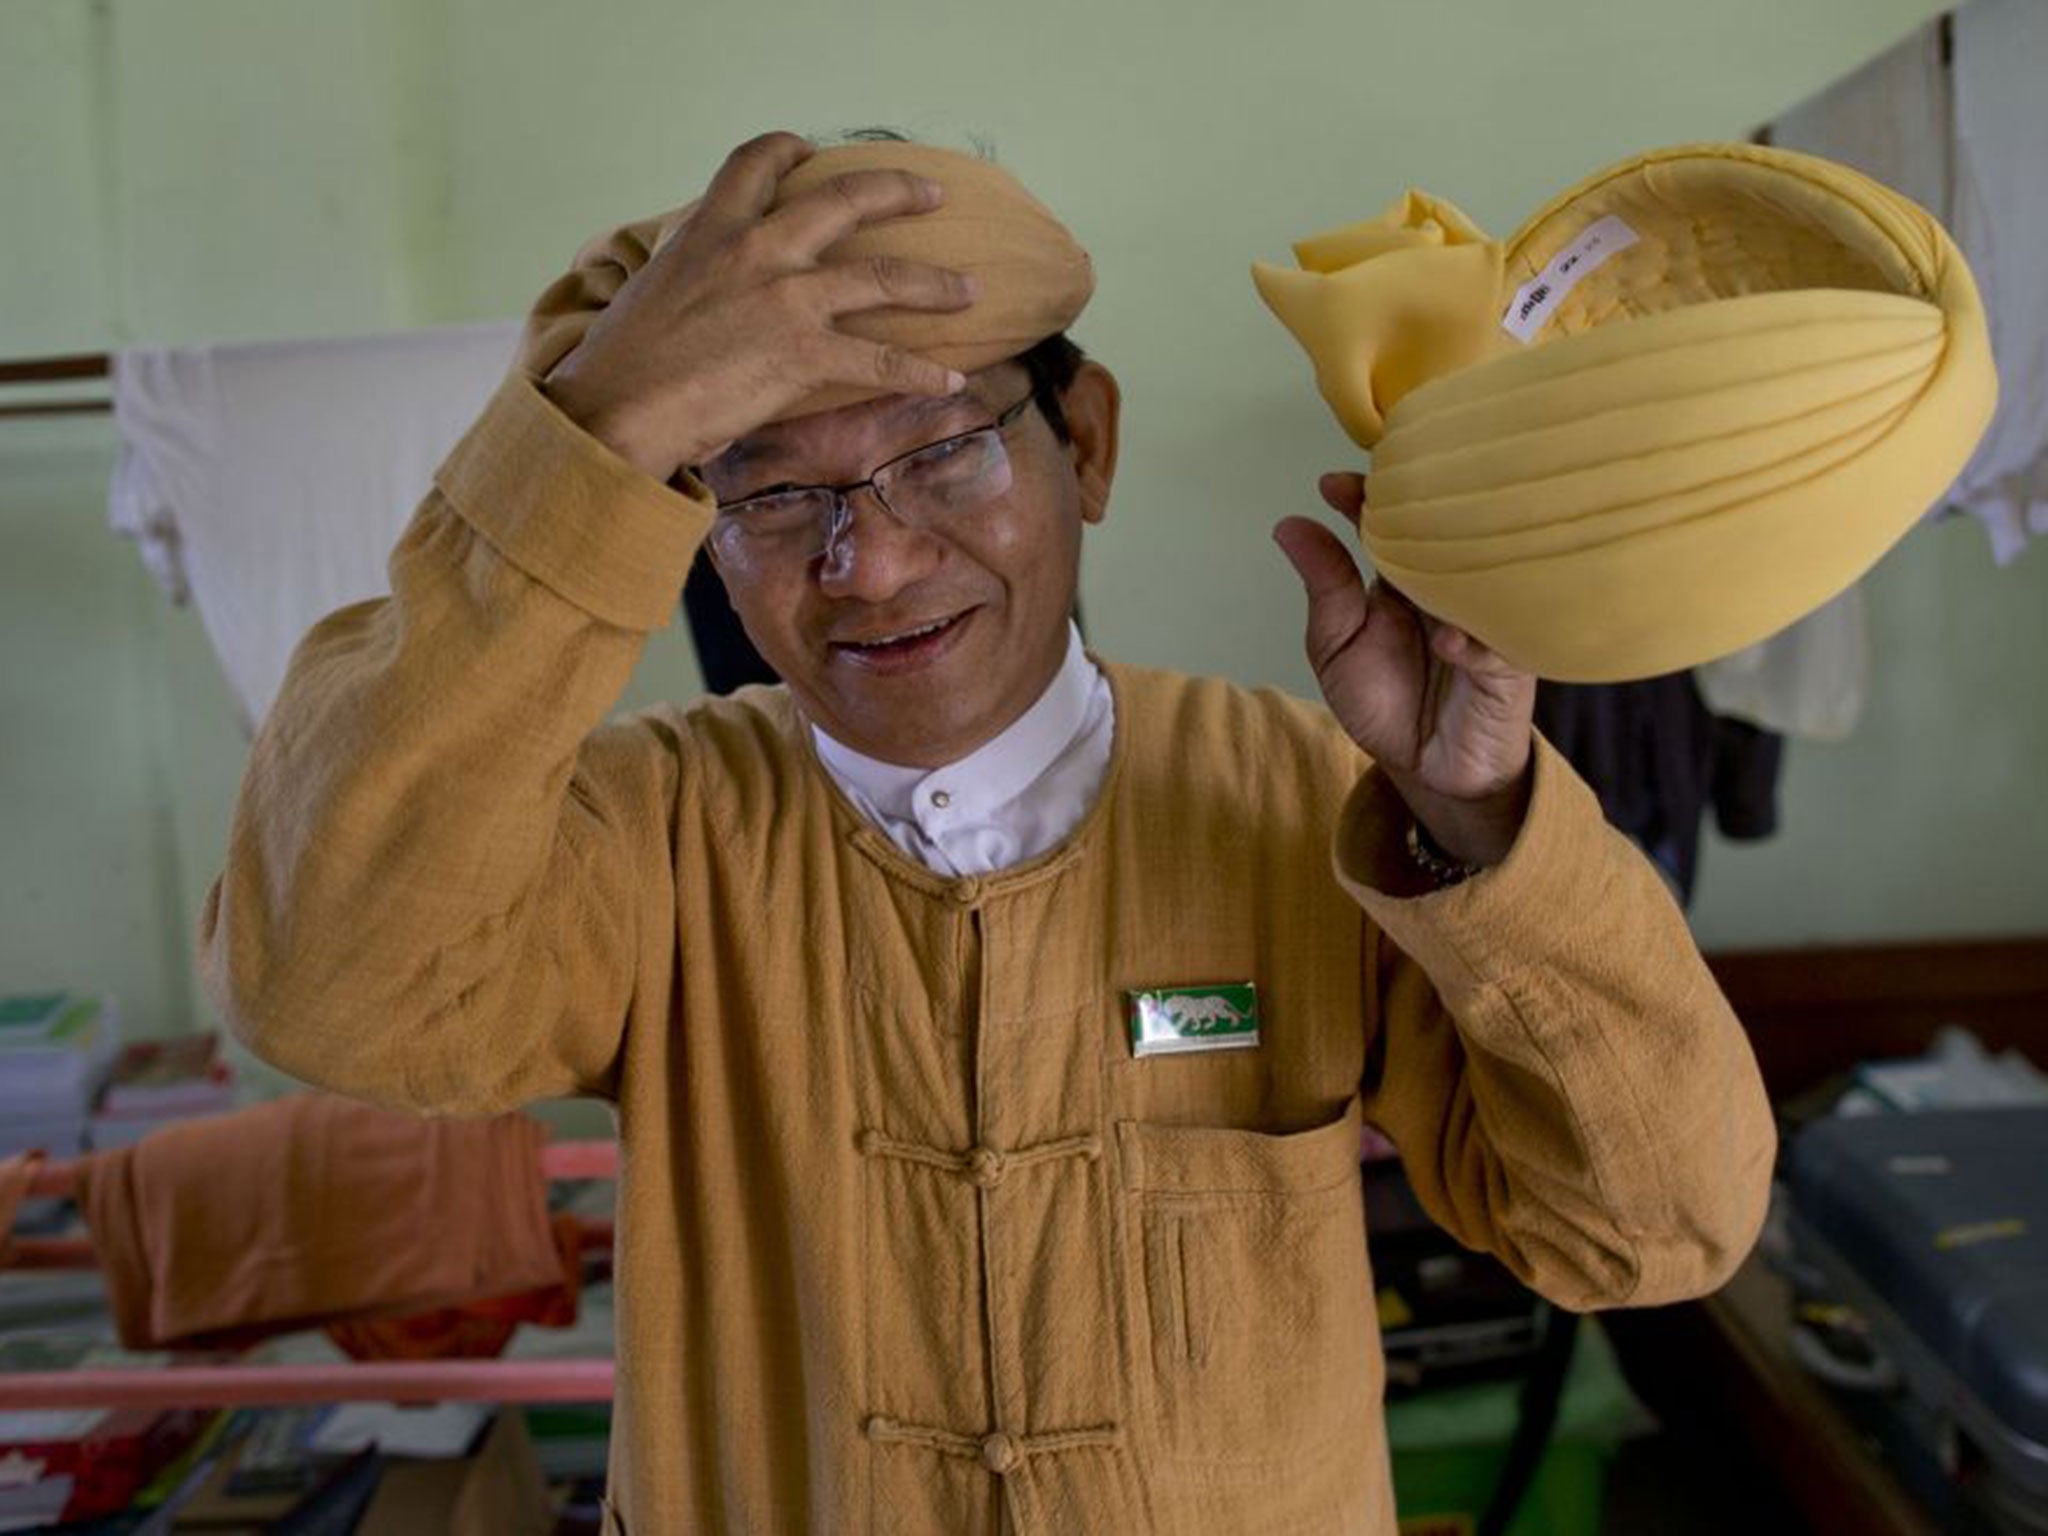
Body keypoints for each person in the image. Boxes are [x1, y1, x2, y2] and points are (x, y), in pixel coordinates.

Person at [202, 131, 1775, 1535]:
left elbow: (1658, 1229)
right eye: (764, 494)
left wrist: (1484, 820)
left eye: (940, 450)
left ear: (1084, 443)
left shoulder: (1305, 806)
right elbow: (331, 988)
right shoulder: (650, 832)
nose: (869, 563)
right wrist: (597, 428)